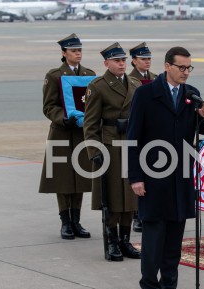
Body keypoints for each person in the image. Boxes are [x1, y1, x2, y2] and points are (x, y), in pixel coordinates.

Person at [127, 47, 204, 289]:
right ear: (167, 66)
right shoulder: (145, 94)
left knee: (174, 241)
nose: (186, 72)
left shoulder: (191, 95)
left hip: (181, 177)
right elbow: (132, 138)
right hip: (153, 176)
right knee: (154, 239)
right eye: (181, 67)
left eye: (189, 68)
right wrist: (136, 177)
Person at [83, 42, 142, 261]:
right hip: (110, 146)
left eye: (123, 60)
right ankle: (112, 243)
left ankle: (125, 242)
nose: (121, 64)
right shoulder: (98, 86)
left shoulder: (135, 84)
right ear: (106, 63)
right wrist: (93, 151)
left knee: (129, 198)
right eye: (117, 61)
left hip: (131, 144)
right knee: (113, 198)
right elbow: (90, 124)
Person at [39, 33, 94, 240]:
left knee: (79, 178)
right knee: (62, 179)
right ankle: (65, 222)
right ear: (64, 53)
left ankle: (77, 221)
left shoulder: (89, 74)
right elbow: (48, 106)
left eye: (80, 50)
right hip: (62, 132)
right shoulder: (54, 75)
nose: (78, 54)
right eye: (73, 51)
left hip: (80, 132)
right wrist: (63, 118)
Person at [128, 42, 158, 233]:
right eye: (143, 59)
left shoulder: (156, 79)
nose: (147, 62)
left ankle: (144, 213)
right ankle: (136, 215)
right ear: (134, 61)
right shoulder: (129, 80)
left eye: (149, 59)